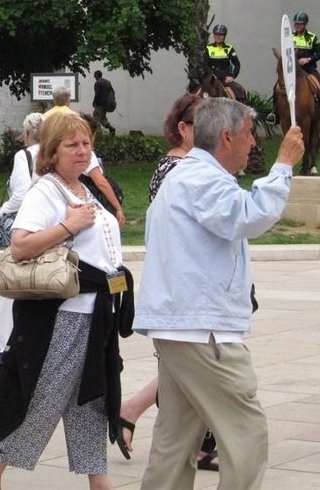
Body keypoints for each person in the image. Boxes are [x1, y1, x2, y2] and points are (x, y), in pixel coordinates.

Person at [134, 97, 304, 490]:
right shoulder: (199, 178)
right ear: (227, 137)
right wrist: (284, 166)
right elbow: (250, 215)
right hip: (201, 329)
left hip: (185, 326)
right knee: (246, 431)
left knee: (175, 441)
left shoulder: (190, 175)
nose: (254, 143)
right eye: (249, 134)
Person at [0, 113, 134, 490]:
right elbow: (20, 244)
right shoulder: (46, 191)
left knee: (92, 397)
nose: (82, 151)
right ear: (52, 151)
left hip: (98, 313)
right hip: (66, 315)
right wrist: (69, 226)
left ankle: (100, 480)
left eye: (85, 144)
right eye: (72, 145)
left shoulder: (83, 188)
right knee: (46, 398)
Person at [120, 93, 221, 470]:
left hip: (190, 287)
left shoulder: (191, 167)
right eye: (203, 124)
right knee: (196, 368)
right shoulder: (177, 170)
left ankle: (132, 412)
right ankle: (193, 444)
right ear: (183, 129)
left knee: (184, 370)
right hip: (182, 289)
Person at [0, 112, 43, 363]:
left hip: (25, 225)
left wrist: (3, 209)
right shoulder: (52, 152)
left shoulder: (24, 156)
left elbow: (21, 191)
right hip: (48, 225)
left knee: (11, 282)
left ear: (27, 134)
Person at [267, 12, 320, 125]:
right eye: (296, 24)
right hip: (292, 69)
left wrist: (308, 59)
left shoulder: (312, 37)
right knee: (276, 86)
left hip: (308, 68)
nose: (297, 26)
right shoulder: (290, 36)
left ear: (305, 24)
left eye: (299, 24)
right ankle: (274, 113)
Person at [204, 24, 243, 101]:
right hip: (212, 78)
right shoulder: (209, 48)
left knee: (237, 93)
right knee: (199, 93)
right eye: (216, 34)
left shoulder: (229, 48)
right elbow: (205, 63)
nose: (218, 37)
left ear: (224, 36)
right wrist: (211, 75)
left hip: (225, 78)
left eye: (220, 35)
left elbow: (237, 64)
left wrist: (232, 76)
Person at [92, 70, 116, 136]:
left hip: (99, 104)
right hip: (106, 105)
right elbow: (112, 92)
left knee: (96, 118)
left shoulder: (97, 83)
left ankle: (99, 134)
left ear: (96, 75)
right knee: (103, 118)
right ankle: (111, 128)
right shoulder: (108, 82)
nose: (94, 78)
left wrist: (94, 102)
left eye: (94, 76)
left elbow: (97, 94)